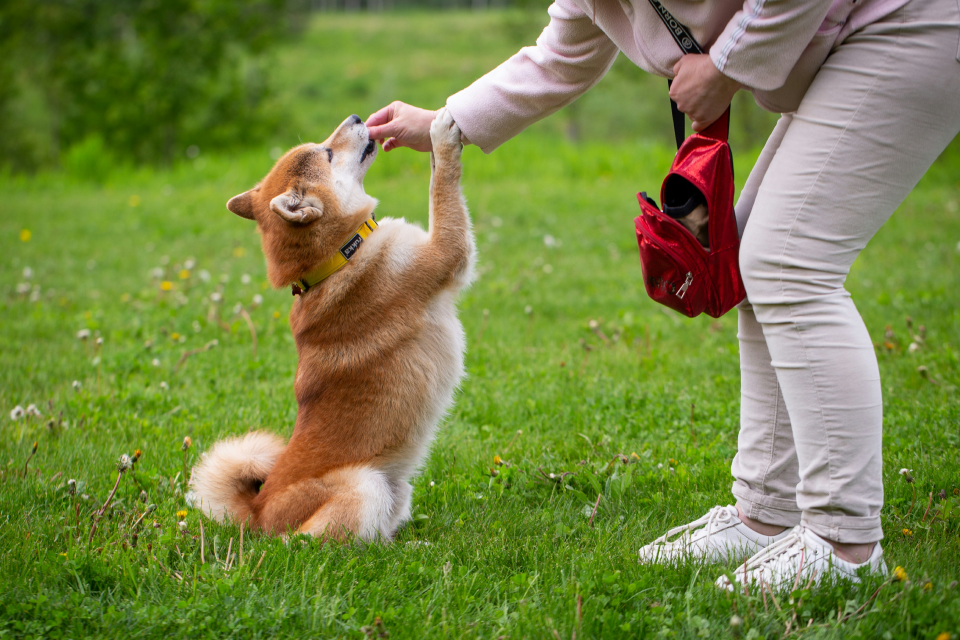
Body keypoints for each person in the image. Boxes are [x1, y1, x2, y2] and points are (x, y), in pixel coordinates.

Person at [366, 0, 960, 590]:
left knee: (788, 264)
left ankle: (843, 541)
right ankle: (767, 513)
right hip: (855, 41)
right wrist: (444, 123)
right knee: (754, 260)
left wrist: (725, 67)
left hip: (906, 25)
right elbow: (559, 58)